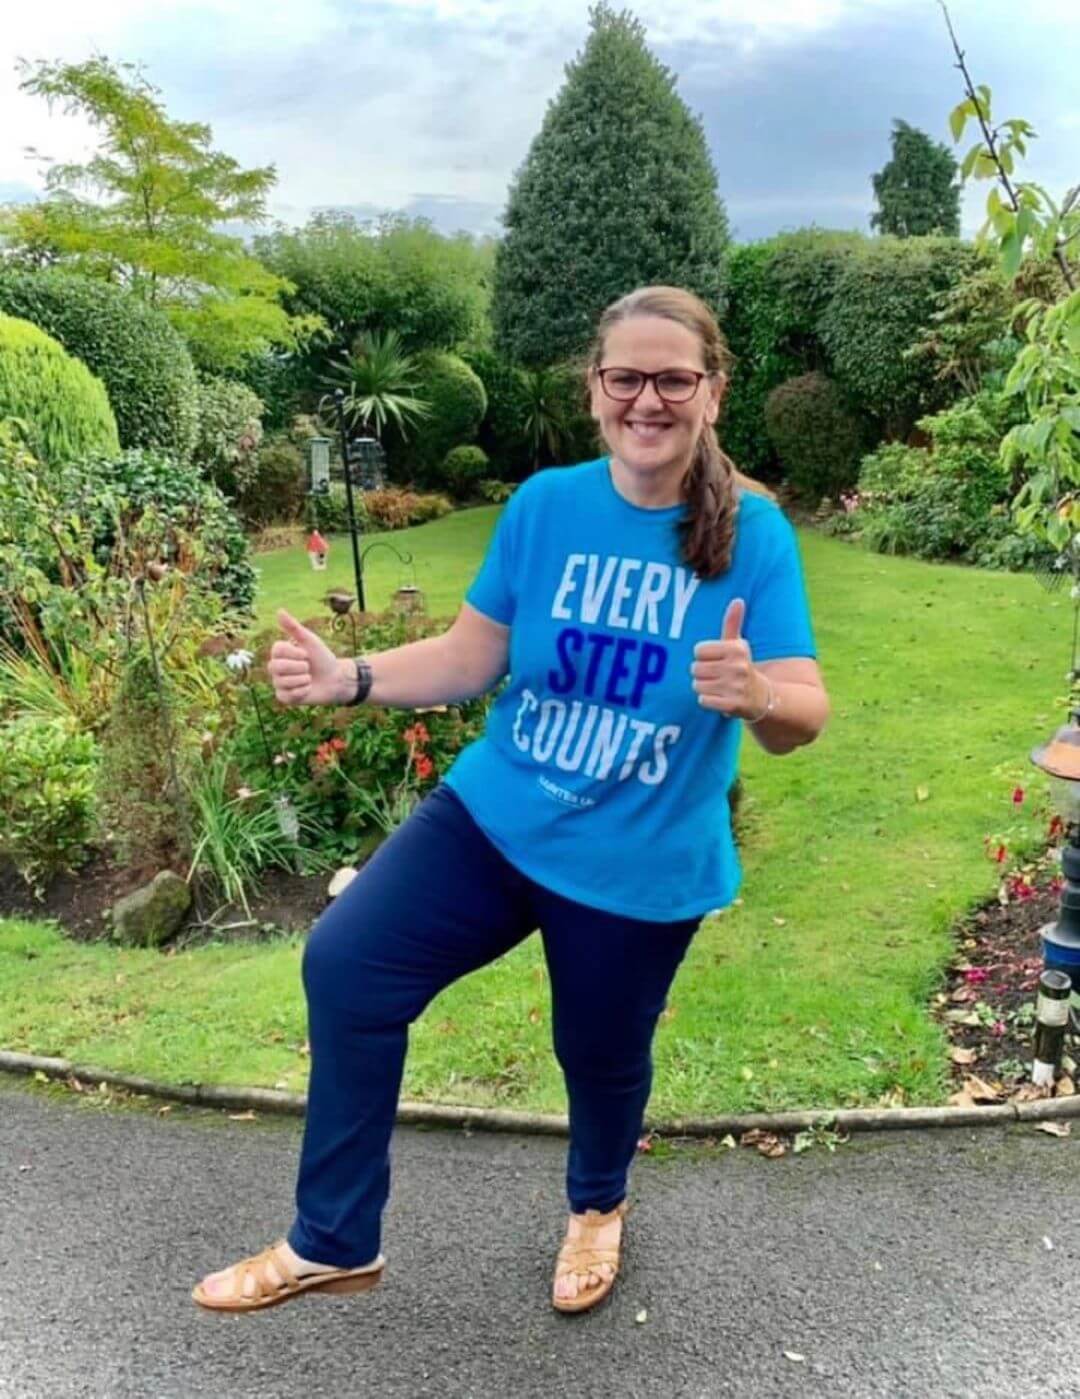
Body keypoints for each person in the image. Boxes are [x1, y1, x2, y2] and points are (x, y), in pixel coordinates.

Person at [192, 285, 830, 1316]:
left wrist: (756, 694)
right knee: (348, 964)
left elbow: (805, 708)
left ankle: (596, 1204)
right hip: (496, 817)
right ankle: (334, 1238)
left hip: (639, 858)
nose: (649, 399)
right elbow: (469, 656)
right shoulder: (546, 506)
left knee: (599, 1051)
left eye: (675, 378)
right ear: (595, 390)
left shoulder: (752, 534)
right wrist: (347, 677)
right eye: (627, 377)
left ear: (711, 392)